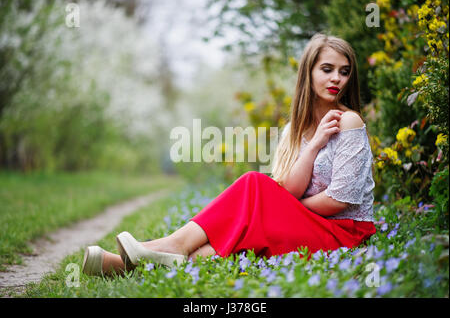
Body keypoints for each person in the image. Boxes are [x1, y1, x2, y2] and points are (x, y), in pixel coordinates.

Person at [82, 33, 377, 276]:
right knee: (239, 233)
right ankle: (130, 265)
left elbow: (339, 200)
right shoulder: (293, 131)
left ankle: (168, 246)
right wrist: (313, 146)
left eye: (344, 71)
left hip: (343, 234)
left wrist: (282, 206)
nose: (336, 78)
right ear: (309, 73)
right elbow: (289, 189)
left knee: (255, 184)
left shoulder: (348, 121)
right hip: (307, 225)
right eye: (327, 69)